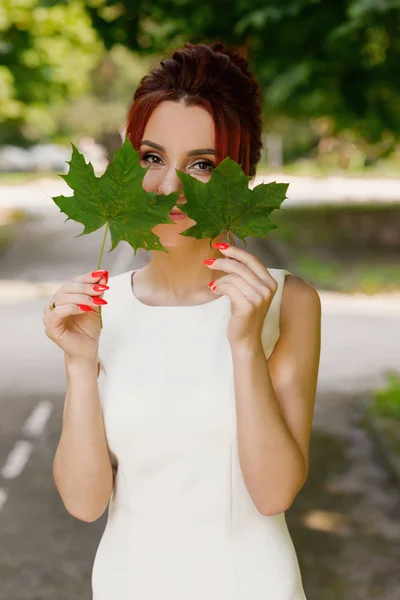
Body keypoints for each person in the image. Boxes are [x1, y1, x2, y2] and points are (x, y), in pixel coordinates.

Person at [44, 40, 321, 600]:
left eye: (201, 164)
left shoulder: (285, 302)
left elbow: (273, 495)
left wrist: (245, 345)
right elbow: (84, 502)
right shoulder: (100, 308)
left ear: (238, 179)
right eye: (151, 158)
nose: (169, 186)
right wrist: (79, 366)